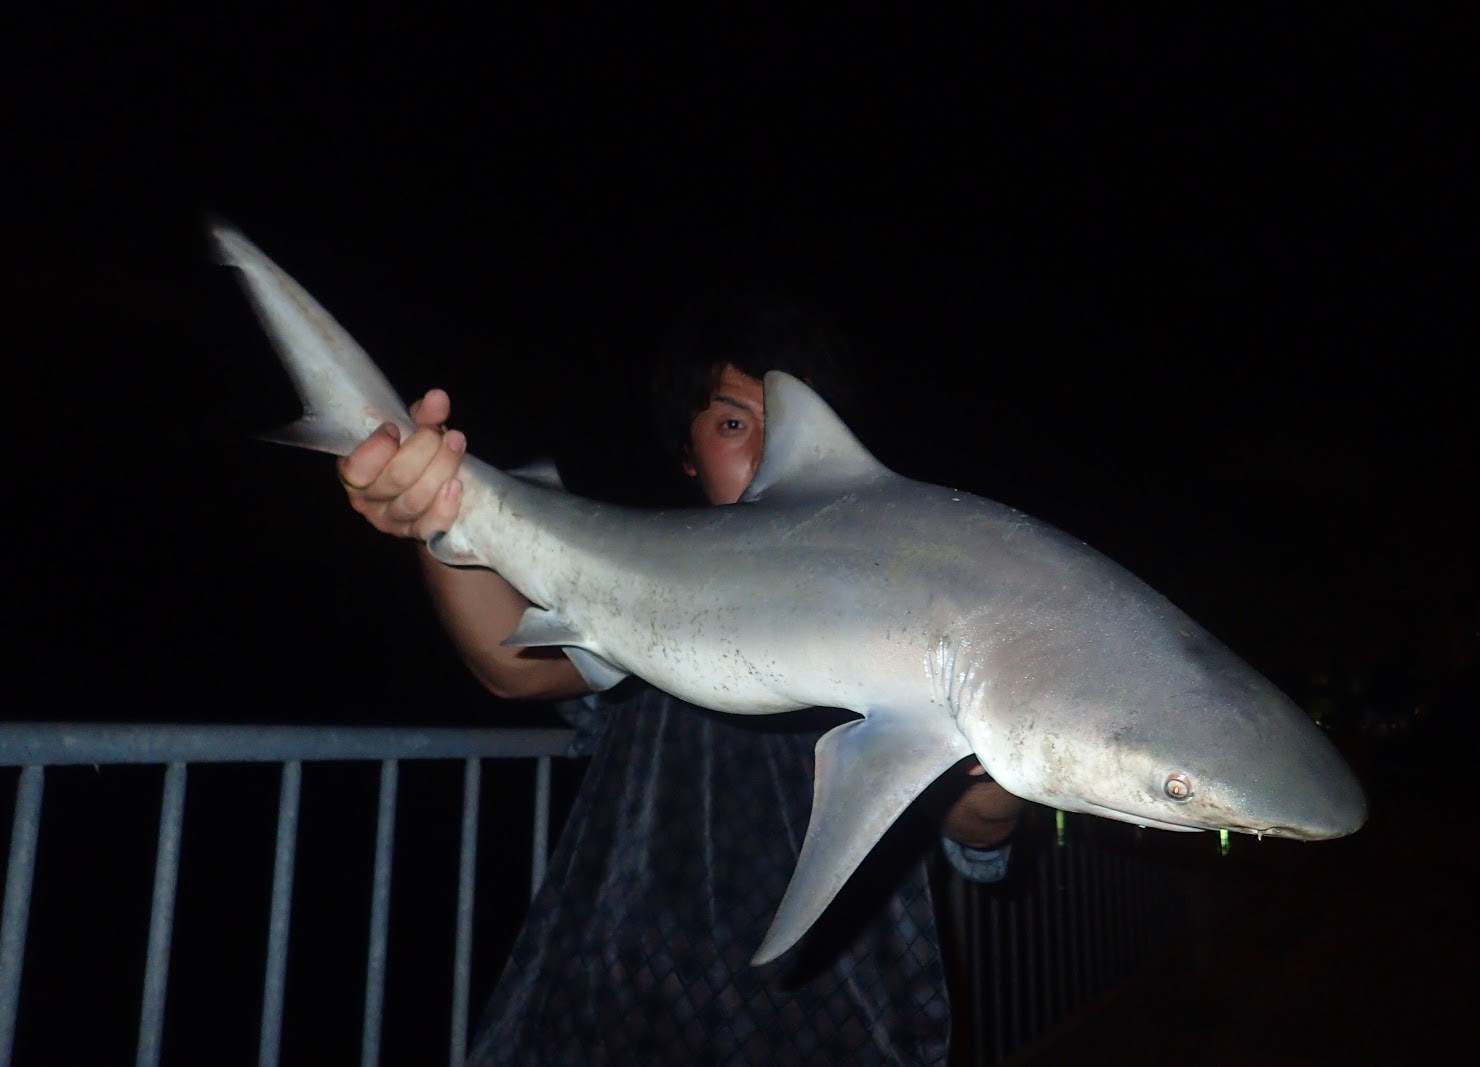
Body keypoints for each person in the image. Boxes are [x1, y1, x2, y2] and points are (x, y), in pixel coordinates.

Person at [337, 294, 1024, 1064]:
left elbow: (980, 824)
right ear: (689, 454)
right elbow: (508, 664)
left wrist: (1001, 752)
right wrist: (436, 512)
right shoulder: (640, 592)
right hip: (614, 1008)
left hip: (837, 1022)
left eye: (793, 421)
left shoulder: (915, 601)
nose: (766, 449)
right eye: (733, 423)